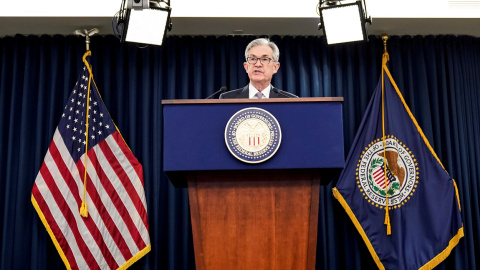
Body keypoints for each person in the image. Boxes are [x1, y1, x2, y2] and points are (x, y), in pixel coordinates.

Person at [219, 38, 298, 99]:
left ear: (275, 67)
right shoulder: (227, 99)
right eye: (253, 59)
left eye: (264, 59)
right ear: (246, 67)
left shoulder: (290, 100)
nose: (258, 64)